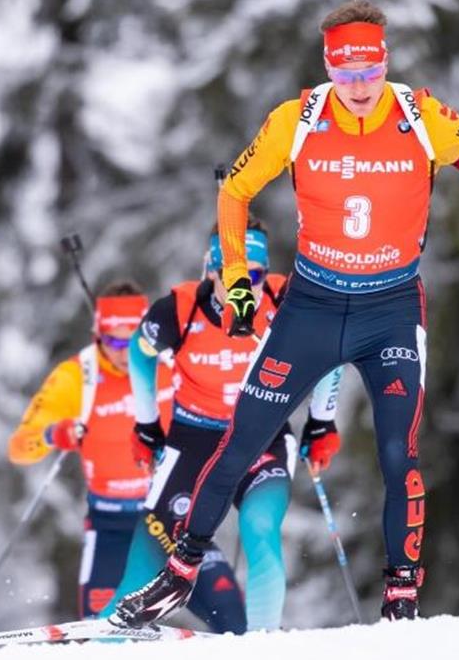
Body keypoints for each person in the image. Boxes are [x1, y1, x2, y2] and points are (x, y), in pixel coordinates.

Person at [112, 0, 459, 628]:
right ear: (327, 69)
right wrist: (235, 281)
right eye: (345, 75)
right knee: (240, 444)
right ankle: (179, 576)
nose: (359, 89)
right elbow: (234, 191)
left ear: (385, 61)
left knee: (399, 450)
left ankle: (400, 597)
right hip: (312, 307)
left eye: (369, 72)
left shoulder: (423, 118)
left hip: (390, 308)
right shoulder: (299, 118)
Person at [99, 218, 345, 633]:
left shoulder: (284, 300)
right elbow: (141, 353)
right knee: (151, 549)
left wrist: (321, 422)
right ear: (210, 270)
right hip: (193, 439)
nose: (241, 289)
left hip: (262, 437)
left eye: (252, 276)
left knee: (260, 528)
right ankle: (105, 645)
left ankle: (261, 643)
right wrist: (146, 426)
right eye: (231, 275)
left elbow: (328, 351)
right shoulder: (179, 309)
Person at [8, 280, 171, 618]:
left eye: (134, 340)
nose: (124, 352)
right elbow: (19, 447)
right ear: (98, 335)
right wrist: (55, 434)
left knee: (225, 610)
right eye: (114, 341)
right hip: (109, 521)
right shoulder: (76, 376)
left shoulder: (171, 366)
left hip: (168, 519)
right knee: (97, 627)